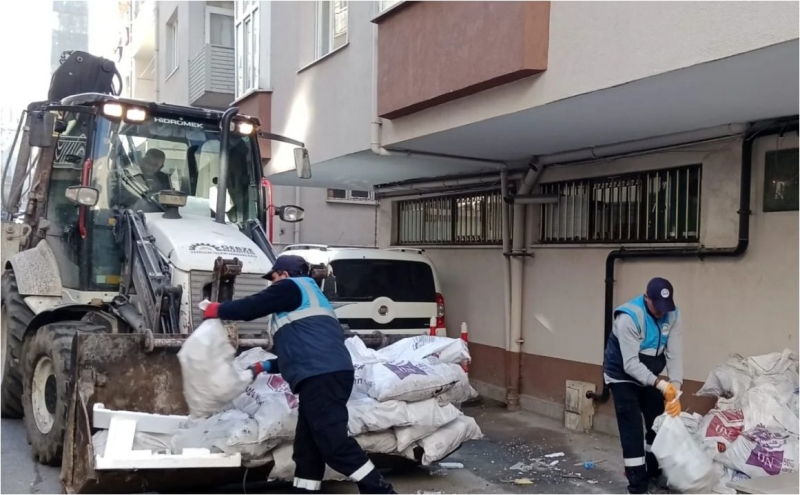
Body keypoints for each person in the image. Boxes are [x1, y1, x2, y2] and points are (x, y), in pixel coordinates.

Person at [202, 255, 396, 494]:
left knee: (333, 443)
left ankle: (379, 490)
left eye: (272, 278)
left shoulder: (292, 286)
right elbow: (303, 351)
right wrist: (265, 367)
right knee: (307, 446)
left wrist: (217, 309)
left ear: (284, 274)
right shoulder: (311, 300)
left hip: (322, 376)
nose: (271, 284)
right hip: (324, 374)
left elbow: (251, 307)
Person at [602, 277, 683, 494]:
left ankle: (654, 473)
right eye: (657, 306)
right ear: (646, 298)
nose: (661, 312)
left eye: (665, 307)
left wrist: (674, 389)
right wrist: (660, 384)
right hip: (622, 376)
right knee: (633, 432)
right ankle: (637, 485)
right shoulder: (629, 317)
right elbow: (630, 365)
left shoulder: (672, 314)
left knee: (658, 423)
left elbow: (674, 354)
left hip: (650, 374)